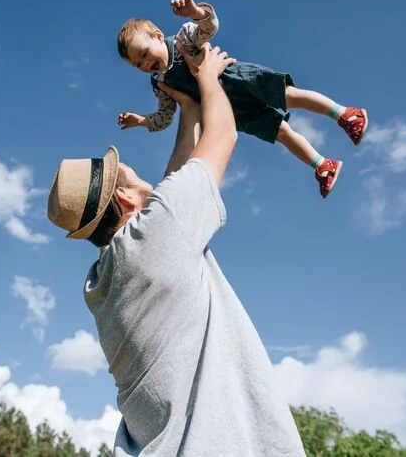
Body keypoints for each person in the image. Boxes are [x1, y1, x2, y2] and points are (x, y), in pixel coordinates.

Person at [47, 42, 306, 455]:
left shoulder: (102, 283)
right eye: (128, 174)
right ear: (127, 201)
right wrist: (206, 78)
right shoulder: (160, 233)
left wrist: (187, 110)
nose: (139, 172)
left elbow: (175, 182)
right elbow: (223, 134)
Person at [116, 0, 369, 198]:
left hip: (236, 80)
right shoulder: (160, 83)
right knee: (279, 132)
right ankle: (323, 165)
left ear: (158, 36)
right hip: (227, 110)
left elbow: (208, 26)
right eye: (138, 65)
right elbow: (166, 116)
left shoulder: (183, 38)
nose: (146, 64)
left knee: (288, 95)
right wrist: (142, 121)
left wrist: (195, 12)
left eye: (145, 54)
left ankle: (345, 114)